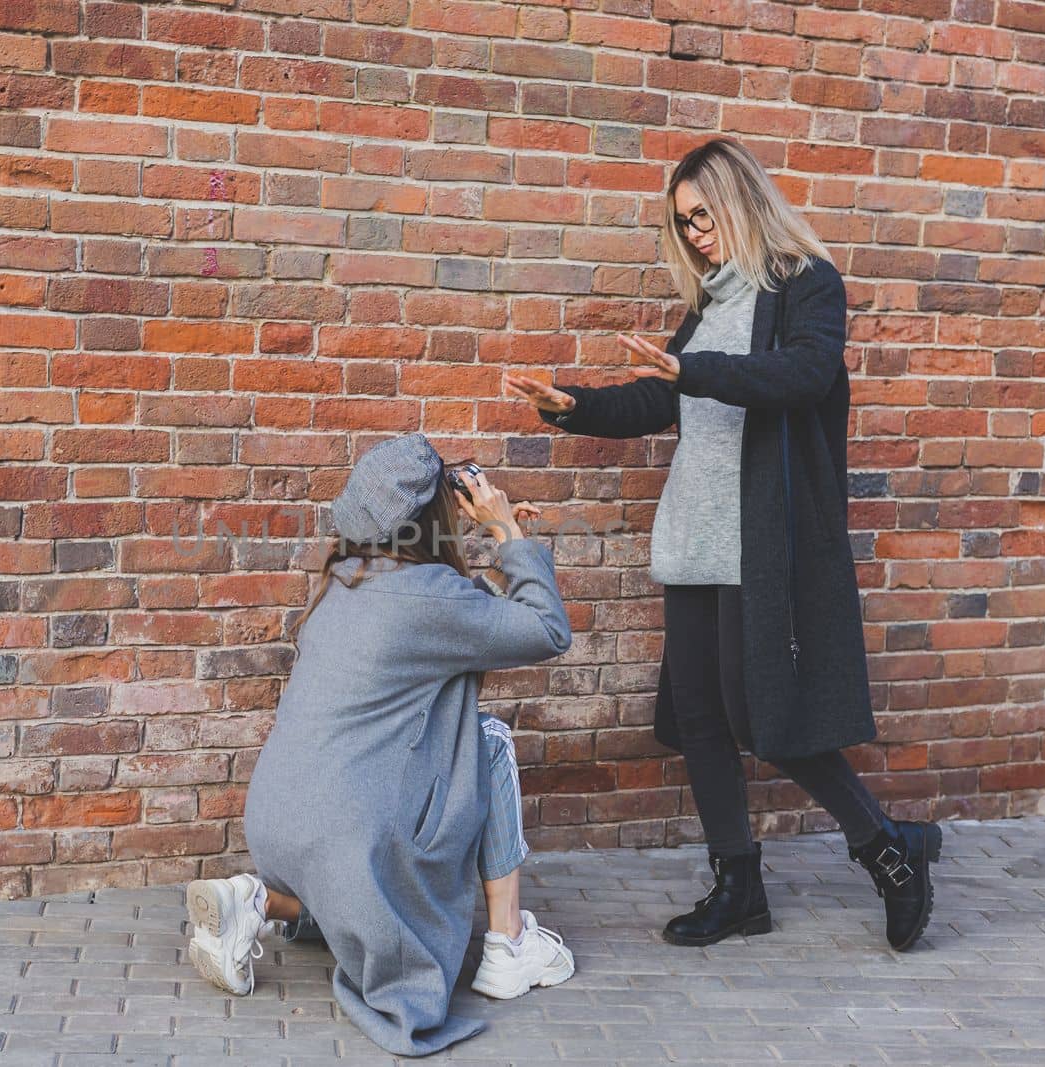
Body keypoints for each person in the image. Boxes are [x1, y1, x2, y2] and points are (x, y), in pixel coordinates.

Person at [506, 137, 943, 953]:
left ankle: (887, 846)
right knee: (701, 716)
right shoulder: (711, 301)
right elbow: (661, 396)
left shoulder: (806, 283)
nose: (697, 235)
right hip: (694, 535)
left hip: (760, 542)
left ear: (740, 200)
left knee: (764, 717)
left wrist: (692, 371)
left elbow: (803, 376)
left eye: (704, 216)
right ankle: (737, 884)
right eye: (683, 224)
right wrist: (573, 404)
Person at [183, 432, 576, 1056]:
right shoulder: (432, 598)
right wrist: (508, 536)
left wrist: (507, 543)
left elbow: (472, 622)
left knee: (349, 866)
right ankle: (507, 946)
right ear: (436, 518)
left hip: (280, 824)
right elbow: (545, 630)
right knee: (490, 739)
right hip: (348, 834)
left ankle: (254, 900)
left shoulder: (344, 579)